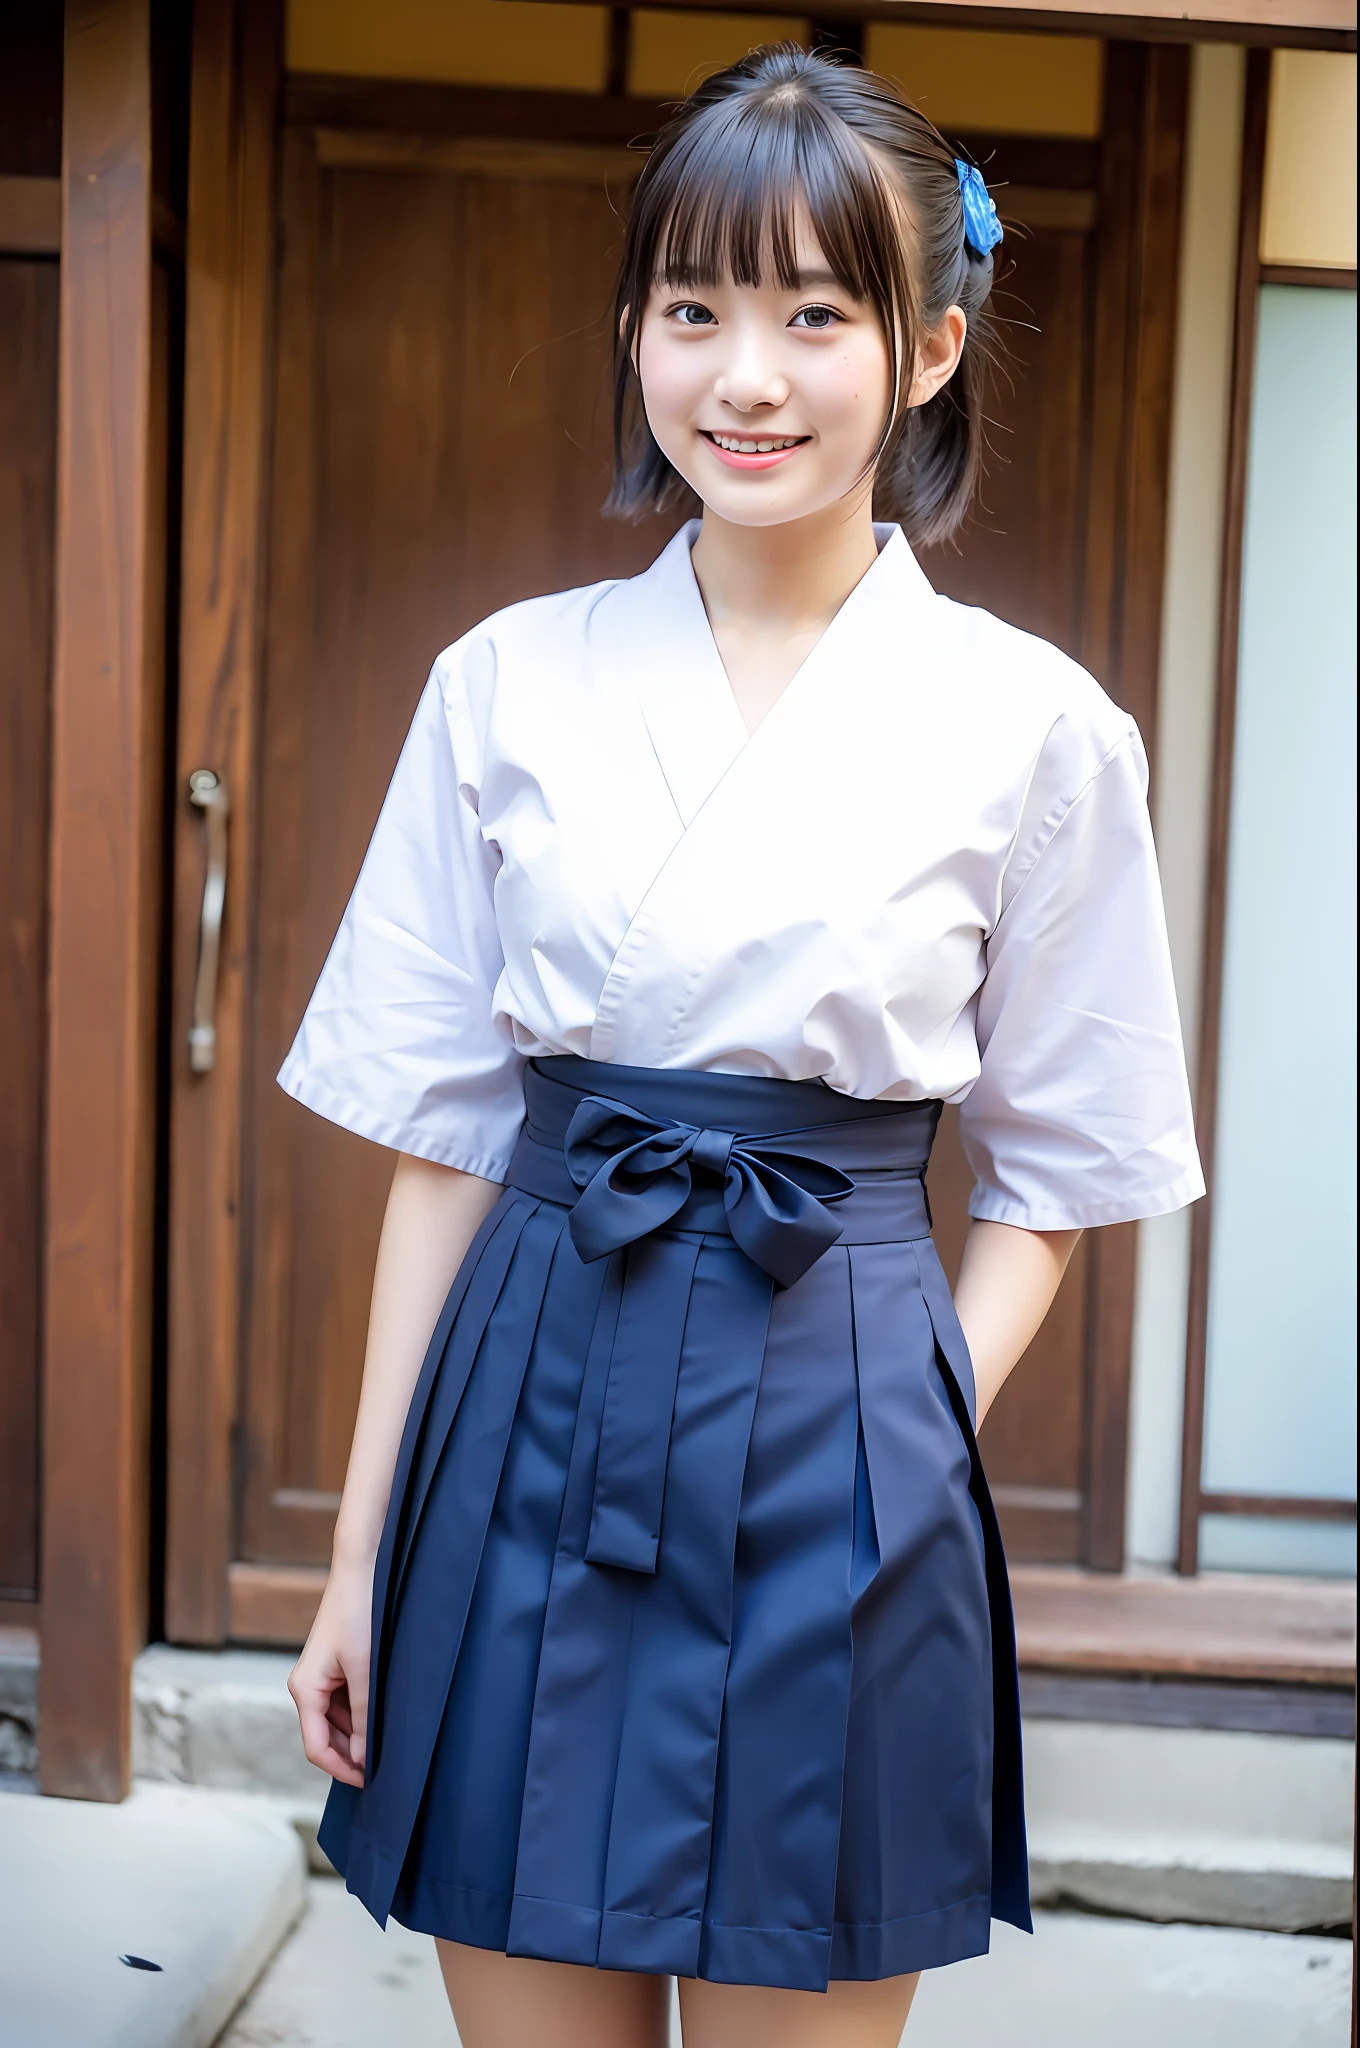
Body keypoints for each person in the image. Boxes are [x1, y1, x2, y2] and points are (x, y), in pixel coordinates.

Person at [282, 45, 1203, 2048]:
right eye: (691, 310)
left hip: (843, 1421)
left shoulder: (1036, 729)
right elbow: (437, 1140)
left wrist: (911, 1420)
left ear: (929, 345)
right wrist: (358, 1555)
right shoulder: (502, 681)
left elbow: (1063, 1164)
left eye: (813, 313)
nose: (745, 377)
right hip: (525, 1403)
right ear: (635, 337)